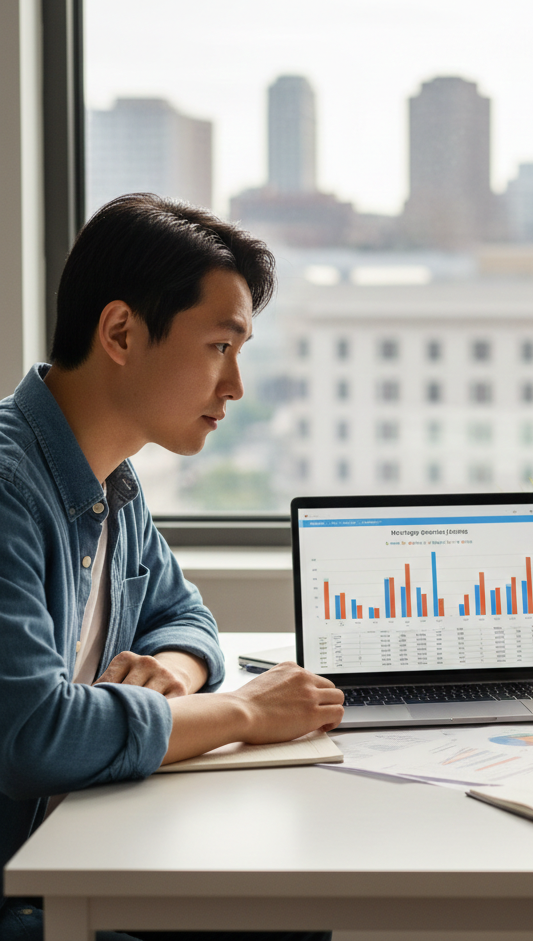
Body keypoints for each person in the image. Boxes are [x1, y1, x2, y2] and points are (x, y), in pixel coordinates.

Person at [0, 194, 345, 941]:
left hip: (69, 851)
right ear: (121, 332)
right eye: (221, 346)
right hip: (20, 895)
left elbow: (185, 618)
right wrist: (247, 713)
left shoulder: (110, 482)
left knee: (304, 914)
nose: (236, 387)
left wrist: (176, 670)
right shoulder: (8, 490)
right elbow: (33, 733)